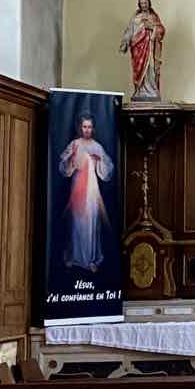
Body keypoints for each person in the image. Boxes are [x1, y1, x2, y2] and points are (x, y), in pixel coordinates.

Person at [58, 115, 115, 274]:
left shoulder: (97, 146)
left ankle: (90, 259)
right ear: (80, 128)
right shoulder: (75, 144)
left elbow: (108, 168)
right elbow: (63, 165)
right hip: (77, 188)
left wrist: (99, 160)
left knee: (91, 220)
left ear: (93, 128)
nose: (87, 130)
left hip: (92, 190)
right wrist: (71, 158)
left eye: (89, 127)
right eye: (84, 127)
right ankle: (75, 257)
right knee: (76, 222)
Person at [120, 0, 166, 101]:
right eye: (142, 3)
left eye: (145, 3)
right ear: (139, 5)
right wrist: (125, 42)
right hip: (137, 48)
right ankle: (139, 90)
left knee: (150, 68)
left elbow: (162, 30)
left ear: (149, 3)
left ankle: (151, 90)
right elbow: (129, 31)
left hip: (150, 47)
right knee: (138, 69)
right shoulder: (136, 18)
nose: (144, 5)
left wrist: (153, 27)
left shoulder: (153, 17)